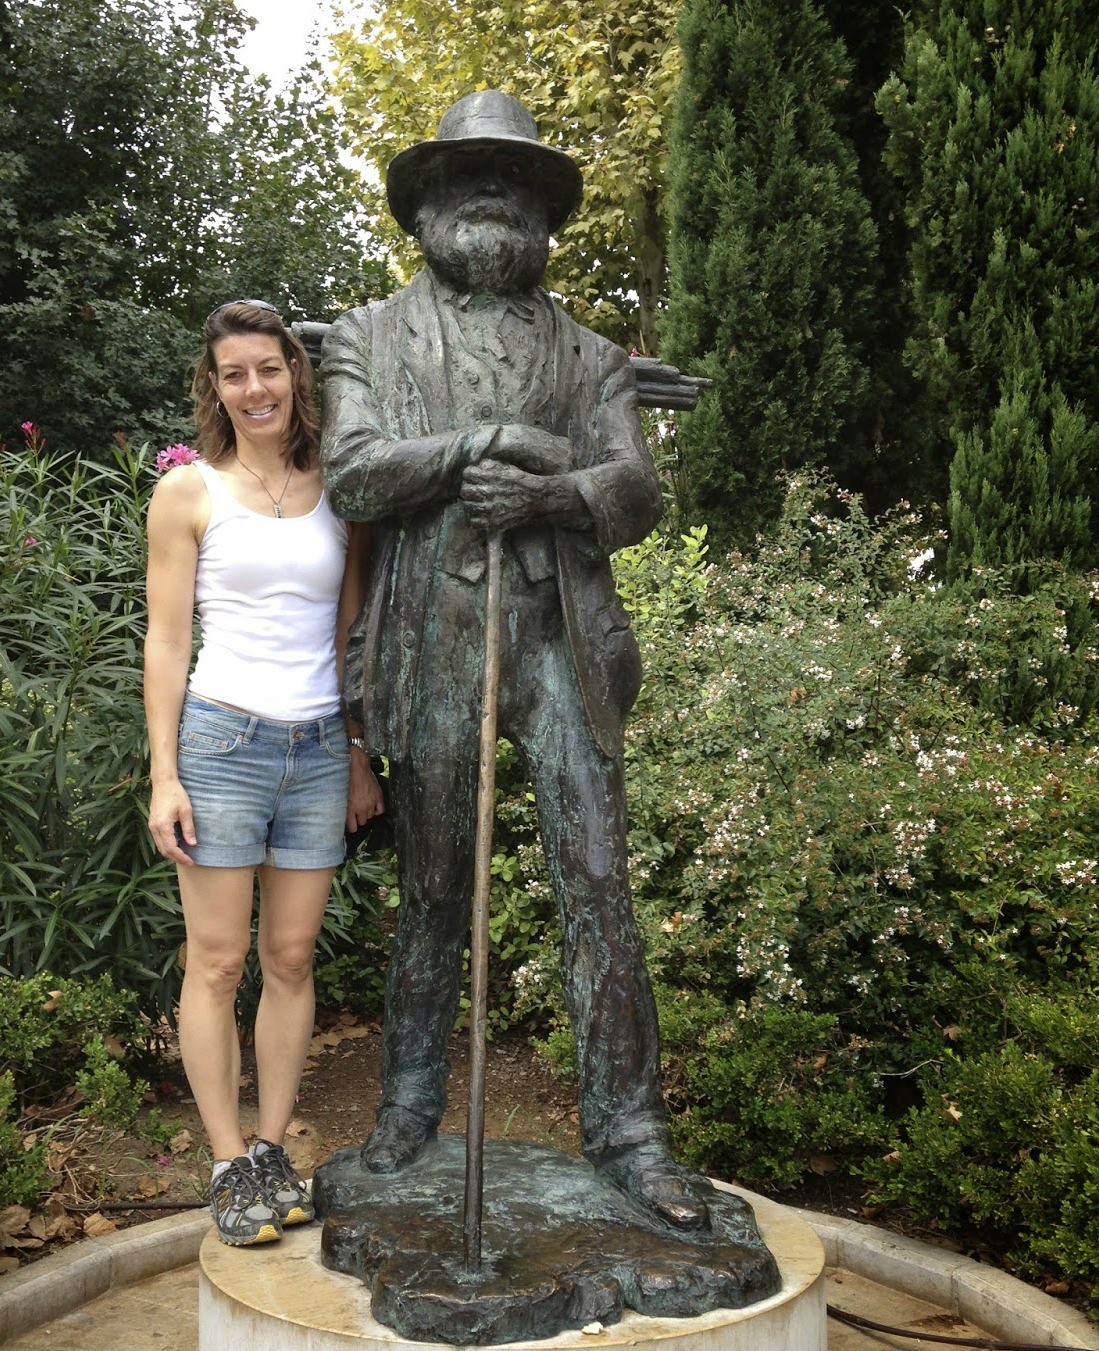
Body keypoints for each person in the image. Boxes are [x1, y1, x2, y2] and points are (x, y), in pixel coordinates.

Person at [321, 91, 707, 1229]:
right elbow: (354, 472)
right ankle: (407, 1106)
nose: (491, 193)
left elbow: (635, 489)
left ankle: (630, 1133)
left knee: (597, 878)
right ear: (424, 207)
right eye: (467, 177)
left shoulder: (593, 356)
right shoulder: (367, 336)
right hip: (434, 637)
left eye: (517, 180)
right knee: (435, 886)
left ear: (543, 215)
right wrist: (481, 446)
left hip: (560, 640)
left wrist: (551, 495)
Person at [144, 299, 382, 1247]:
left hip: (318, 749)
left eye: (269, 369)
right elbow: (167, 642)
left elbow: (348, 632)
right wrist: (165, 774)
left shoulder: (338, 493)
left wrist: (358, 753)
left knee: (289, 960)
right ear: (215, 387)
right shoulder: (189, 493)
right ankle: (226, 1162)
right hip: (222, 747)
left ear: (295, 374)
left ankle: (273, 1150)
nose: (255, 389)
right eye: (234, 374)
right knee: (217, 962)